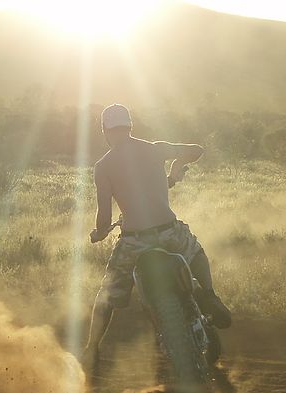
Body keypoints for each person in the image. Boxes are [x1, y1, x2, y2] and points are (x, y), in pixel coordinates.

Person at [82, 103, 231, 367]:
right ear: (130, 126)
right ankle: (209, 295)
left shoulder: (103, 166)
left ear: (105, 130)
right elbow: (196, 150)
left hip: (134, 242)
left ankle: (92, 348)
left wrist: (99, 233)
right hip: (169, 232)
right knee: (196, 251)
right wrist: (175, 168)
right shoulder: (154, 149)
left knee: (106, 295)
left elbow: (104, 218)